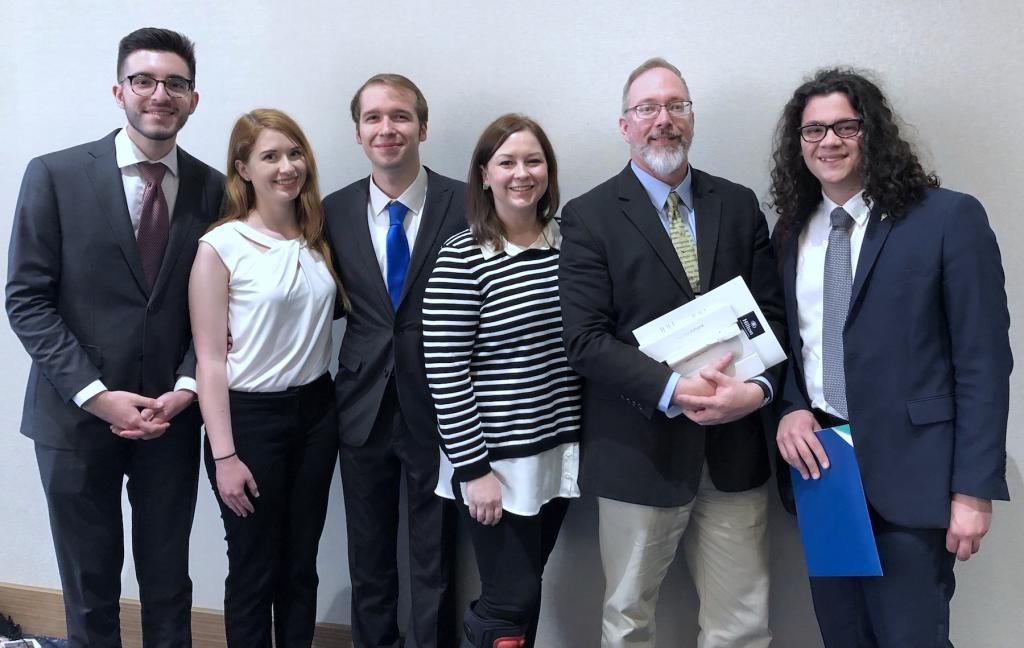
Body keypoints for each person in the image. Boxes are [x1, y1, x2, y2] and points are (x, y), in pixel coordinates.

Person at [770, 68, 1011, 648]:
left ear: (871, 131)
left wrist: (974, 489)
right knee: (843, 638)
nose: (829, 142)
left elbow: (983, 361)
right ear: (798, 144)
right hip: (823, 472)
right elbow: (792, 347)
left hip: (913, 476)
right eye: (813, 131)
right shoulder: (791, 232)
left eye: (845, 126)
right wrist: (792, 407)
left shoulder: (947, 218)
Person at [5, 27, 222, 648]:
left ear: (192, 99)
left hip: (171, 418)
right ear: (119, 90)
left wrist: (186, 388)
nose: (160, 93)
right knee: (89, 583)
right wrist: (97, 395)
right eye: (145, 80)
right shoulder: (55, 174)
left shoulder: (215, 190)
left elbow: (221, 308)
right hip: (73, 421)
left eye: (175, 83)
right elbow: (26, 299)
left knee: (168, 583)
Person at [558, 57, 785, 648]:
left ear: (691, 117)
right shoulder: (589, 215)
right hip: (639, 451)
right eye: (648, 109)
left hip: (735, 454)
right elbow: (584, 341)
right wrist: (671, 390)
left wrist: (757, 391)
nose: (664, 120)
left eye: (676, 106)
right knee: (628, 619)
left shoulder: (737, 205)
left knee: (743, 623)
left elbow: (773, 320)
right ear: (625, 124)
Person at [422, 114, 583, 648]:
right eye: (507, 162)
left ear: (549, 172)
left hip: (557, 452)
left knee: (523, 592)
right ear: (484, 175)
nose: (521, 173)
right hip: (496, 464)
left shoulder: (572, 246)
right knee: (506, 604)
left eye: (533, 161)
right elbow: (445, 372)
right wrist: (474, 469)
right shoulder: (462, 255)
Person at [189, 109, 343, 647]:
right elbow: (209, 361)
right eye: (270, 156)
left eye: (294, 153)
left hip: (317, 414)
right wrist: (224, 456)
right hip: (249, 420)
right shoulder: (221, 246)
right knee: (254, 568)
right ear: (243, 169)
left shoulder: (320, 237)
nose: (287, 166)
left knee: (301, 565)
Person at [322, 73, 463, 648]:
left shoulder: (467, 203)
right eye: (374, 118)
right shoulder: (331, 210)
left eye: (400, 116)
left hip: (445, 405)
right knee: (369, 556)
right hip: (361, 406)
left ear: (422, 127)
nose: (388, 128)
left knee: (435, 557)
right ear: (357, 132)